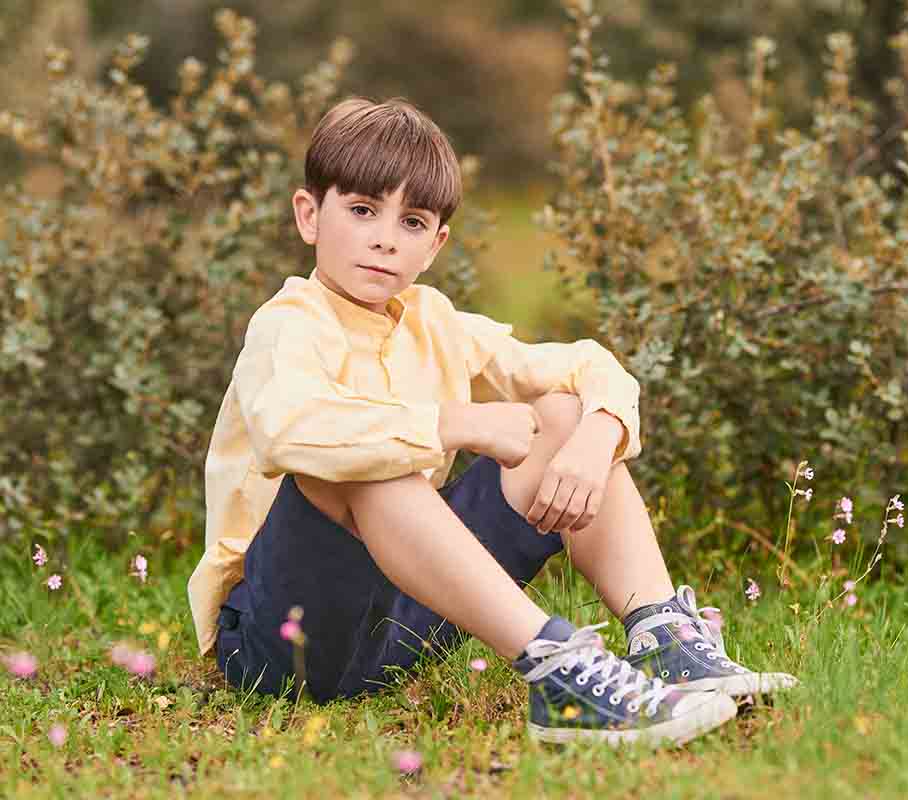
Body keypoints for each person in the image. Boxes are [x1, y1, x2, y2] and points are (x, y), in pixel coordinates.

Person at [187, 97, 795, 747]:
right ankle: (557, 670)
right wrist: (454, 423)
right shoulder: (289, 326)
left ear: (436, 243)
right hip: (283, 639)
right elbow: (290, 430)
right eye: (363, 210)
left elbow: (585, 366)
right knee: (371, 460)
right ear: (310, 215)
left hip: (405, 626)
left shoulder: (435, 322)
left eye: (412, 221)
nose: (386, 237)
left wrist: (597, 436)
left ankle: (664, 638)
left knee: (562, 412)